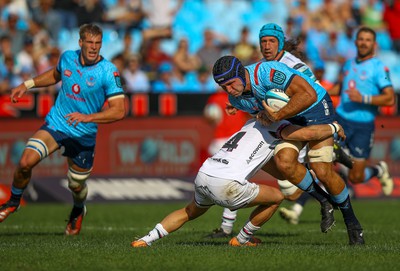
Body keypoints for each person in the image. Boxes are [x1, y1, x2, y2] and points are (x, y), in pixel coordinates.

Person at [209, 23, 351, 238]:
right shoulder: (260, 68)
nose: (266, 46)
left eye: (271, 41)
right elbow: (257, 100)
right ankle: (227, 226)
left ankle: (329, 143)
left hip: (305, 115)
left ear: (280, 43)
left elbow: (309, 90)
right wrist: (237, 102)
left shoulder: (292, 64)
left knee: (300, 177)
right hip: (284, 119)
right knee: (287, 189)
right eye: (263, 42)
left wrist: (281, 110)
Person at [131, 113, 346, 247]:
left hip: (205, 173)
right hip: (226, 184)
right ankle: (241, 240)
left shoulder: (252, 121)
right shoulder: (280, 126)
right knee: (276, 197)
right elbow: (308, 134)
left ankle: (146, 240)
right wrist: (333, 128)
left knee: (189, 212)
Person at [0, 24, 126, 235]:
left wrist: (88, 117)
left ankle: (78, 209)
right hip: (57, 124)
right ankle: (13, 202)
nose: (94, 47)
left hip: (83, 134)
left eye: (98, 43)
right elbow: (56, 75)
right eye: (90, 42)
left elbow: (119, 111)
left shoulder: (108, 71)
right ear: (80, 43)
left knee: (76, 185)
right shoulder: (67, 57)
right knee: (24, 162)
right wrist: (27, 84)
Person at [329, 26, 395, 194]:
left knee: (356, 177)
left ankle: (378, 170)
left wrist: (363, 98)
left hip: (363, 127)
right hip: (341, 120)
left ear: (374, 44)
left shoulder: (381, 68)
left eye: (368, 40)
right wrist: (320, 93)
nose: (364, 43)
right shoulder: (348, 64)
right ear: (356, 41)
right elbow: (340, 87)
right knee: (324, 156)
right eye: (361, 39)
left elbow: (390, 98)